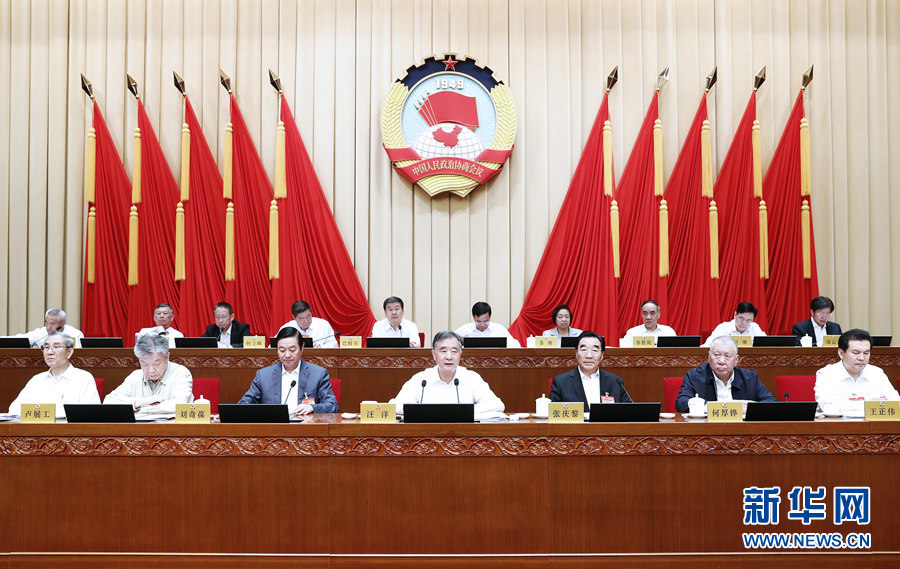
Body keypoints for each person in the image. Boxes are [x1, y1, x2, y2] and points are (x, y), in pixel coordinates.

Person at [390, 330, 505, 415]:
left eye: (454, 351)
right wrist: (423, 411)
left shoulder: (471, 378)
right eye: (443, 351)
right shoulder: (421, 379)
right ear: (434, 354)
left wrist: (463, 411)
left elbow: (498, 405)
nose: (449, 357)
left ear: (460, 354)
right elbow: (394, 406)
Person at [238, 327, 339, 414]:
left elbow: (333, 406)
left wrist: (312, 408)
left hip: (305, 427)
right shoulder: (264, 375)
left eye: (292, 350)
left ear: (302, 348)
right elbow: (243, 404)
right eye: (282, 350)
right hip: (273, 428)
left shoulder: (318, 374)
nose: (287, 355)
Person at [8, 332, 99, 418]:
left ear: (69, 352)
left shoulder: (83, 378)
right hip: (38, 428)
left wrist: (45, 412)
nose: (50, 352)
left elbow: (91, 413)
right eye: (46, 347)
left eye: (56, 347)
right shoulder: (37, 380)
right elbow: (14, 410)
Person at [675, 336, 776, 412]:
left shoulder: (749, 377)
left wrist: (750, 407)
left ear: (736, 360)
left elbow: (771, 402)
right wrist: (714, 407)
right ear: (709, 357)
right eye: (717, 355)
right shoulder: (694, 376)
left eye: (727, 356)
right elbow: (681, 402)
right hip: (706, 428)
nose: (721, 361)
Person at [814, 329, 900, 415]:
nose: (861, 358)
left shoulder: (877, 373)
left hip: (872, 423)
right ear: (841, 353)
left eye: (866, 353)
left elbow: (896, 402)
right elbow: (827, 406)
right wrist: (869, 404)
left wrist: (848, 405)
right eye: (856, 353)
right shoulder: (826, 374)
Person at [105, 334, 193, 413]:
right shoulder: (135, 376)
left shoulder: (181, 373)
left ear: (167, 357)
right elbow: (109, 401)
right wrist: (145, 401)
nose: (151, 370)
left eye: (156, 363)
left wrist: (140, 409)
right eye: (145, 364)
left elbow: (179, 405)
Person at [550, 331, 631, 410]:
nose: (589, 355)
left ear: (602, 355)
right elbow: (554, 414)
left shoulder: (615, 382)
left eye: (594, 350)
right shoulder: (560, 382)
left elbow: (628, 412)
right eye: (584, 349)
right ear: (576, 353)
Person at [454, 302, 520, 347]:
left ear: (490, 317)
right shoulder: (465, 329)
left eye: (486, 321)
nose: (482, 325)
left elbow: (515, 345)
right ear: (474, 317)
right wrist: (461, 341)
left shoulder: (499, 330)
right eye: (478, 322)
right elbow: (450, 341)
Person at [702, 302, 767, 347]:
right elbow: (707, 346)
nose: (744, 323)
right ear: (735, 315)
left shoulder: (754, 327)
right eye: (741, 318)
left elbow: (767, 345)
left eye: (748, 320)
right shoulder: (723, 327)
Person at [14, 308, 84, 348]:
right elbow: (20, 338)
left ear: (62, 324)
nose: (48, 327)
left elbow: (78, 353)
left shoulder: (75, 334)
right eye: (46, 323)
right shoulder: (41, 332)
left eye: (52, 324)